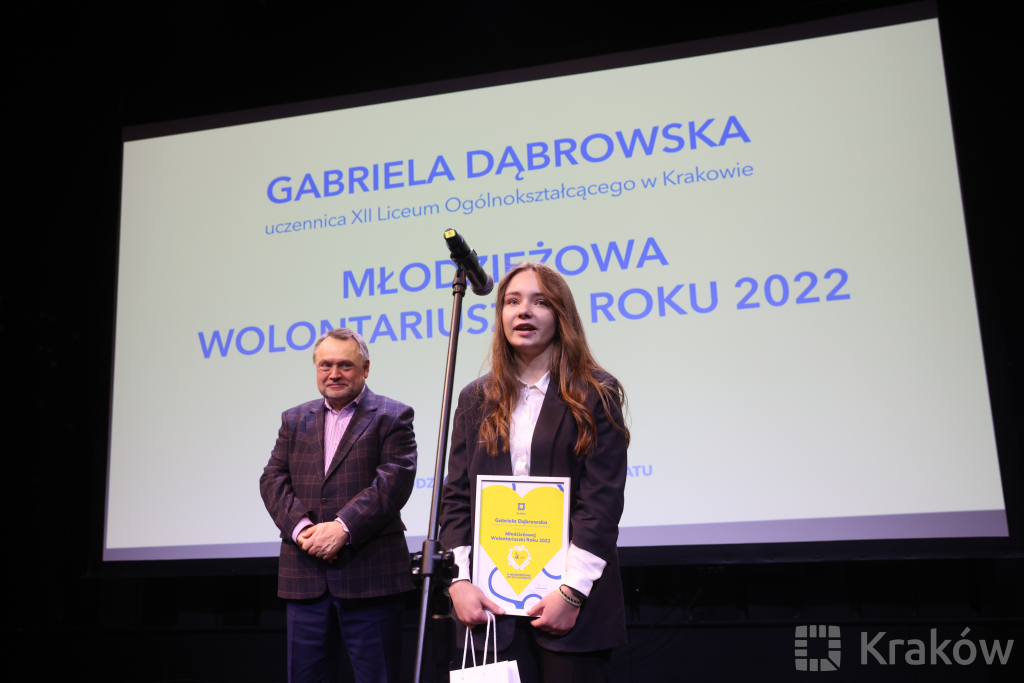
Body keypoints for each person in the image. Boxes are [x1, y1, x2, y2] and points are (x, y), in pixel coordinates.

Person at [439, 262, 630, 683]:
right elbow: (455, 498)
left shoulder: (595, 393)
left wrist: (571, 592)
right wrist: (459, 582)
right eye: (512, 301)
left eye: (540, 302)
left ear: (562, 315)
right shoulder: (475, 398)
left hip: (571, 607)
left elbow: (600, 502)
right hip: (489, 607)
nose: (523, 311)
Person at [260, 328, 417, 683]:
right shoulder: (294, 419)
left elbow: (393, 482)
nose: (334, 373)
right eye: (325, 365)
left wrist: (342, 528)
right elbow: (272, 479)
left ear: (365, 368)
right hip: (305, 576)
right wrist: (303, 530)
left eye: (345, 365)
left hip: (371, 577)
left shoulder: (392, 415)